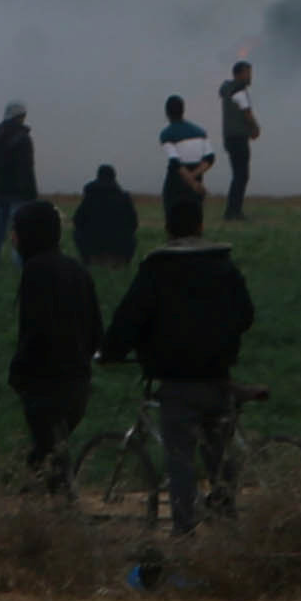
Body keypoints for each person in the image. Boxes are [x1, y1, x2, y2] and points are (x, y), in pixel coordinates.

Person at [104, 195, 257, 532]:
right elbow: (246, 315)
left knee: (180, 458)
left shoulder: (156, 270)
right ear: (200, 227)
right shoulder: (224, 267)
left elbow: (129, 319)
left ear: (168, 230)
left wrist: (110, 352)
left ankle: (184, 531)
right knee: (217, 454)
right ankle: (225, 522)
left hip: (176, 381)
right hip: (218, 376)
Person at [6, 200, 101, 496]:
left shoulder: (36, 271)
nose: (12, 237)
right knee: (48, 455)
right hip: (78, 385)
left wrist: (18, 370)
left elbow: (36, 329)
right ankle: (35, 506)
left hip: (46, 385)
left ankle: (61, 516)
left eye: (16, 230)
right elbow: (96, 330)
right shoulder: (77, 269)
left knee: (52, 463)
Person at [0, 101, 38, 269]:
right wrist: (30, 192)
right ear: (20, 116)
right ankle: (18, 262)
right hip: (19, 192)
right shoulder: (23, 138)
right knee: (19, 227)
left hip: (0, 191)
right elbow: (27, 167)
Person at [218, 58, 262, 223]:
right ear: (239, 74)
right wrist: (255, 128)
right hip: (238, 138)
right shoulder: (239, 91)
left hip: (229, 136)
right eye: (247, 73)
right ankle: (234, 211)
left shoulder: (227, 90)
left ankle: (232, 210)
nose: (250, 77)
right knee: (241, 175)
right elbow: (247, 113)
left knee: (238, 174)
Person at [72, 164, 139, 268]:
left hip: (92, 245)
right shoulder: (124, 198)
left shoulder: (90, 197)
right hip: (119, 246)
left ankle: (90, 260)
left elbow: (77, 220)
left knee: (76, 233)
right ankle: (120, 261)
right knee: (132, 237)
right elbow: (133, 224)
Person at [159, 95, 215, 207]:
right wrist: (194, 179)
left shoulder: (166, 134)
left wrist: (191, 183)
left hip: (176, 182)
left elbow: (175, 162)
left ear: (167, 113)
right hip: (197, 177)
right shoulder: (200, 132)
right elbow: (210, 159)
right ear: (183, 110)